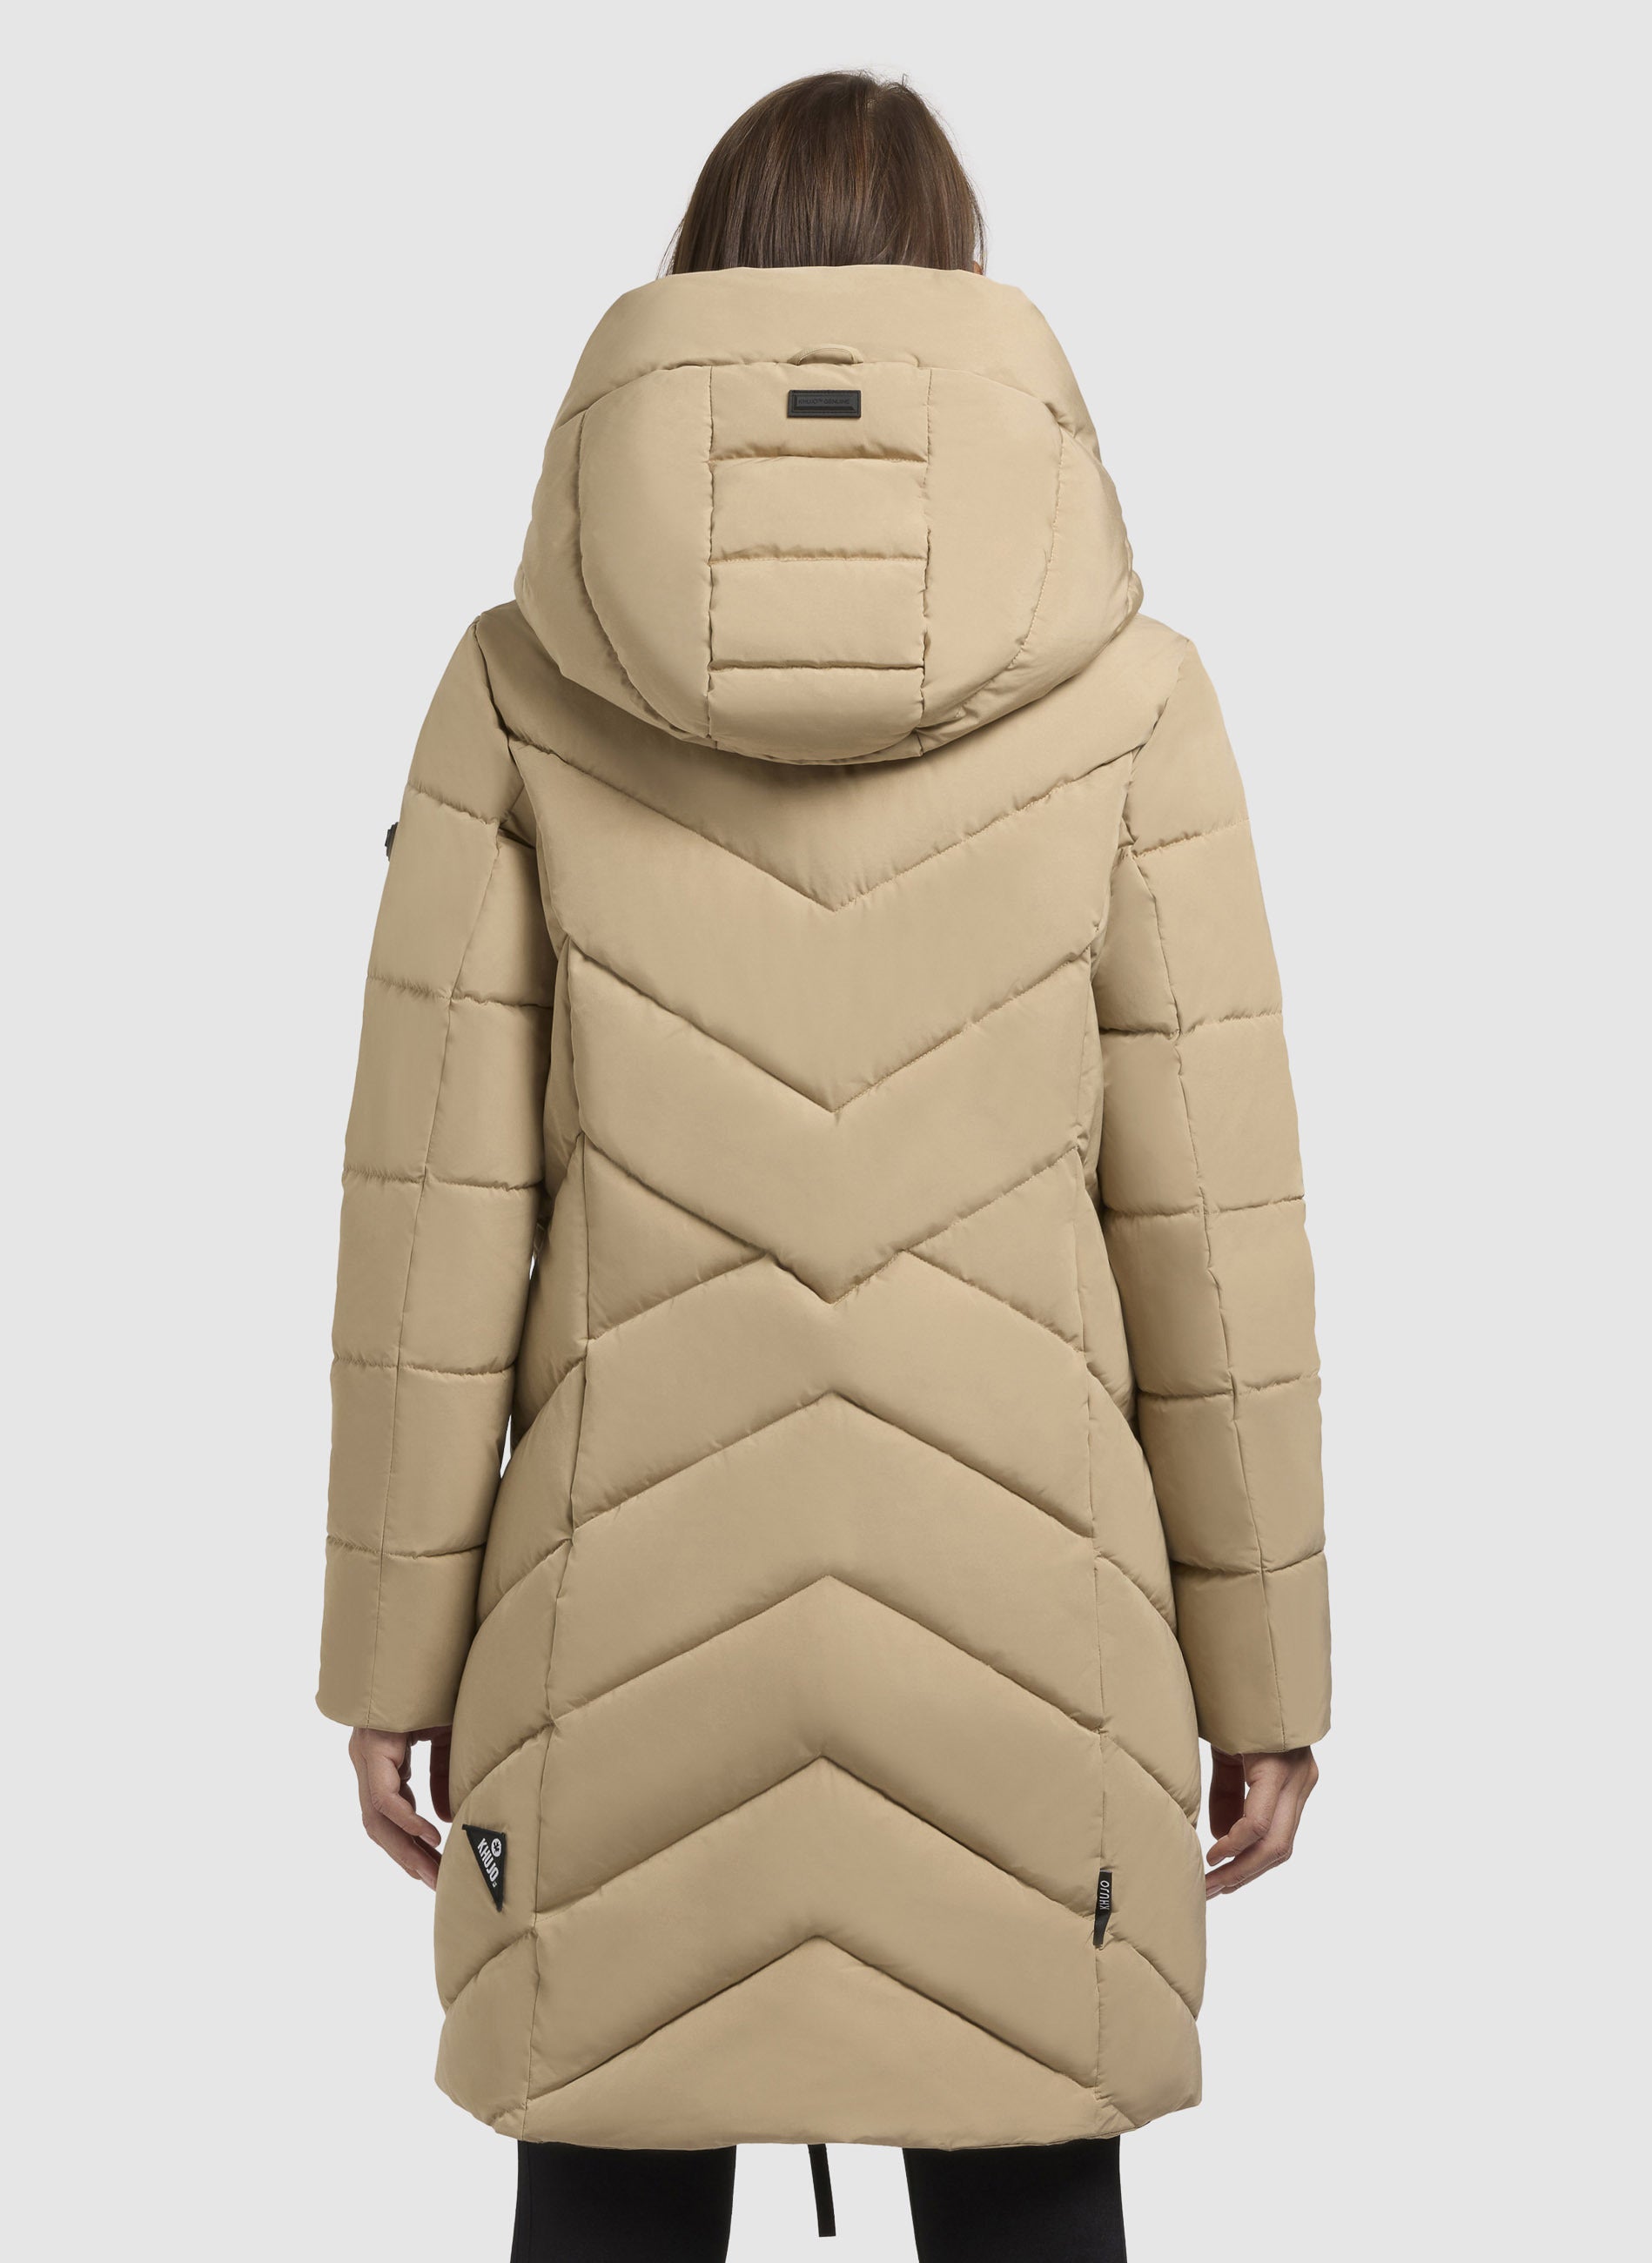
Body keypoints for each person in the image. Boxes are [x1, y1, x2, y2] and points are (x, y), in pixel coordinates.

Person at [318, 69, 1328, 2263]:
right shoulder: (1136, 699)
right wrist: (1268, 1681)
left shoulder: (517, 687)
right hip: (1022, 1630)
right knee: (1029, 2176)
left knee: (606, 2175)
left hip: (622, 1630)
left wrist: (387, 1655)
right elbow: (1214, 1250)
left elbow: (430, 1236)